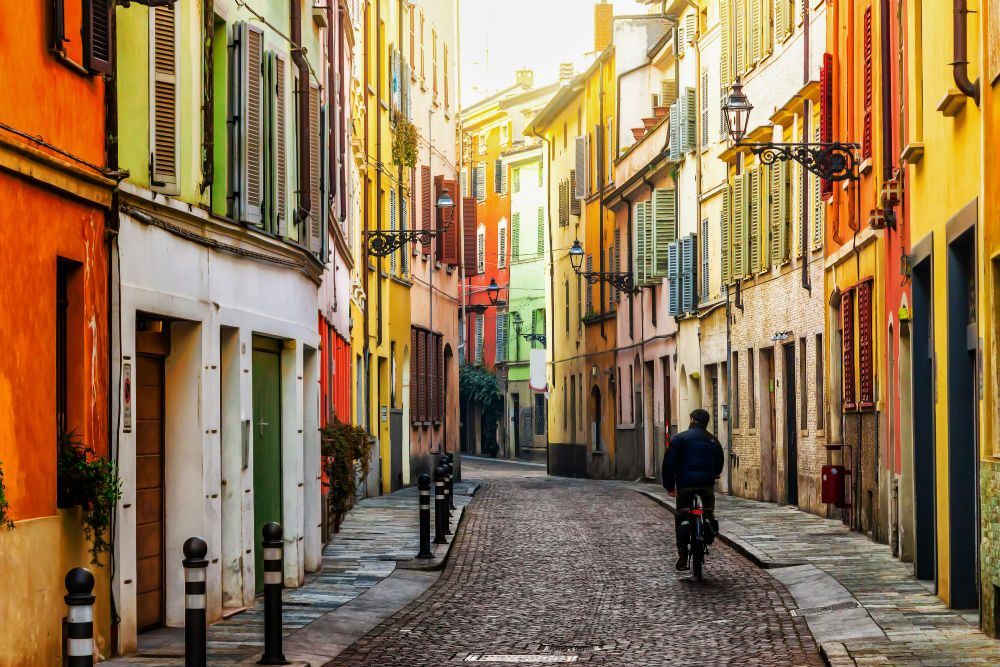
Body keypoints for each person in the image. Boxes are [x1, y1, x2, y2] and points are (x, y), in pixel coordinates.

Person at [662, 408, 725, 570]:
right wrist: (715, 473)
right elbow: (719, 460)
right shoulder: (712, 440)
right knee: (708, 509)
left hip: (685, 485)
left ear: (691, 420)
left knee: (682, 513)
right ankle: (709, 524)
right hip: (706, 484)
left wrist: (669, 486)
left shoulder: (680, 439)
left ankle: (682, 556)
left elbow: (669, 463)